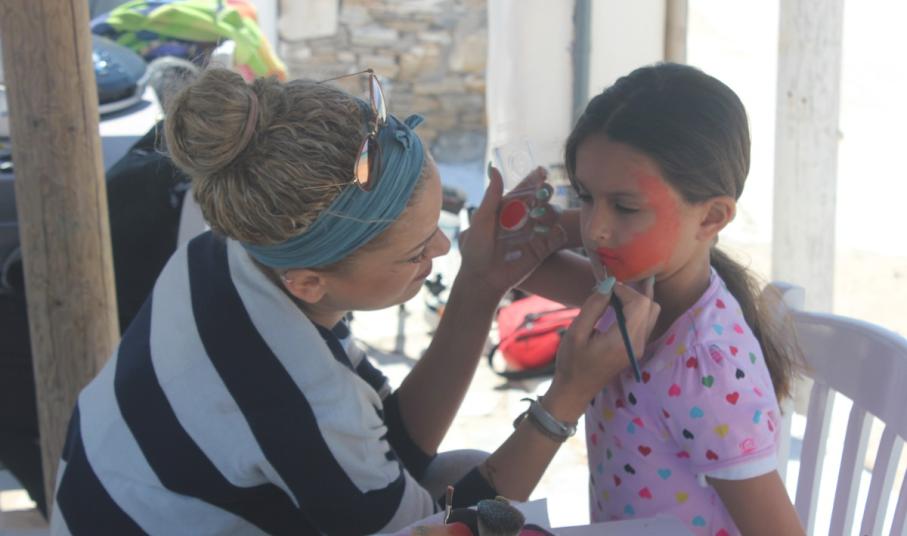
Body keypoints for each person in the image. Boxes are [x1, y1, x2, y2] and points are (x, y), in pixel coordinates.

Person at [49, 68, 659, 535]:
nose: (443, 248)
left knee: (466, 469)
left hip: (109, 506)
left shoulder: (230, 247)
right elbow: (433, 532)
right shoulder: (298, 395)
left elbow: (392, 445)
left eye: (437, 227)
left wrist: (480, 283)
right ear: (310, 282)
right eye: (416, 251)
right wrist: (567, 394)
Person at [522, 63, 805, 535]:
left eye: (625, 206)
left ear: (711, 218)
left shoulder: (707, 366)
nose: (595, 229)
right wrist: (550, 219)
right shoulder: (627, 293)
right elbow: (508, 261)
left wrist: (584, 216)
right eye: (585, 196)